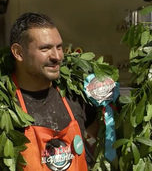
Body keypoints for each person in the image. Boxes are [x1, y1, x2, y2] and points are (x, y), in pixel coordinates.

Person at [9, 12, 95, 170]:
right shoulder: (6, 108)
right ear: (18, 52)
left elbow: (105, 137)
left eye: (59, 47)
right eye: (45, 48)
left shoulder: (75, 97)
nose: (57, 56)